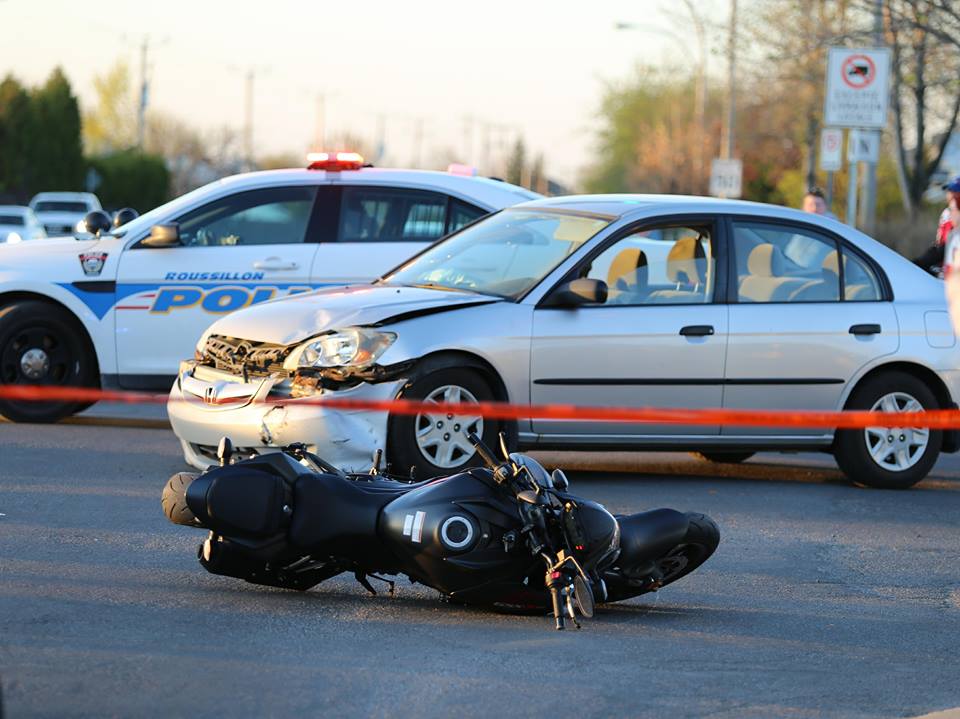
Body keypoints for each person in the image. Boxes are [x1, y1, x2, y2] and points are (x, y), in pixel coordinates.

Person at [913, 175, 960, 276]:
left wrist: (924, 262)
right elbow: (941, 243)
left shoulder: (956, 215)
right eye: (949, 191)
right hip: (944, 266)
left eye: (954, 191)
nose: (950, 194)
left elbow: (947, 246)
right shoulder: (947, 212)